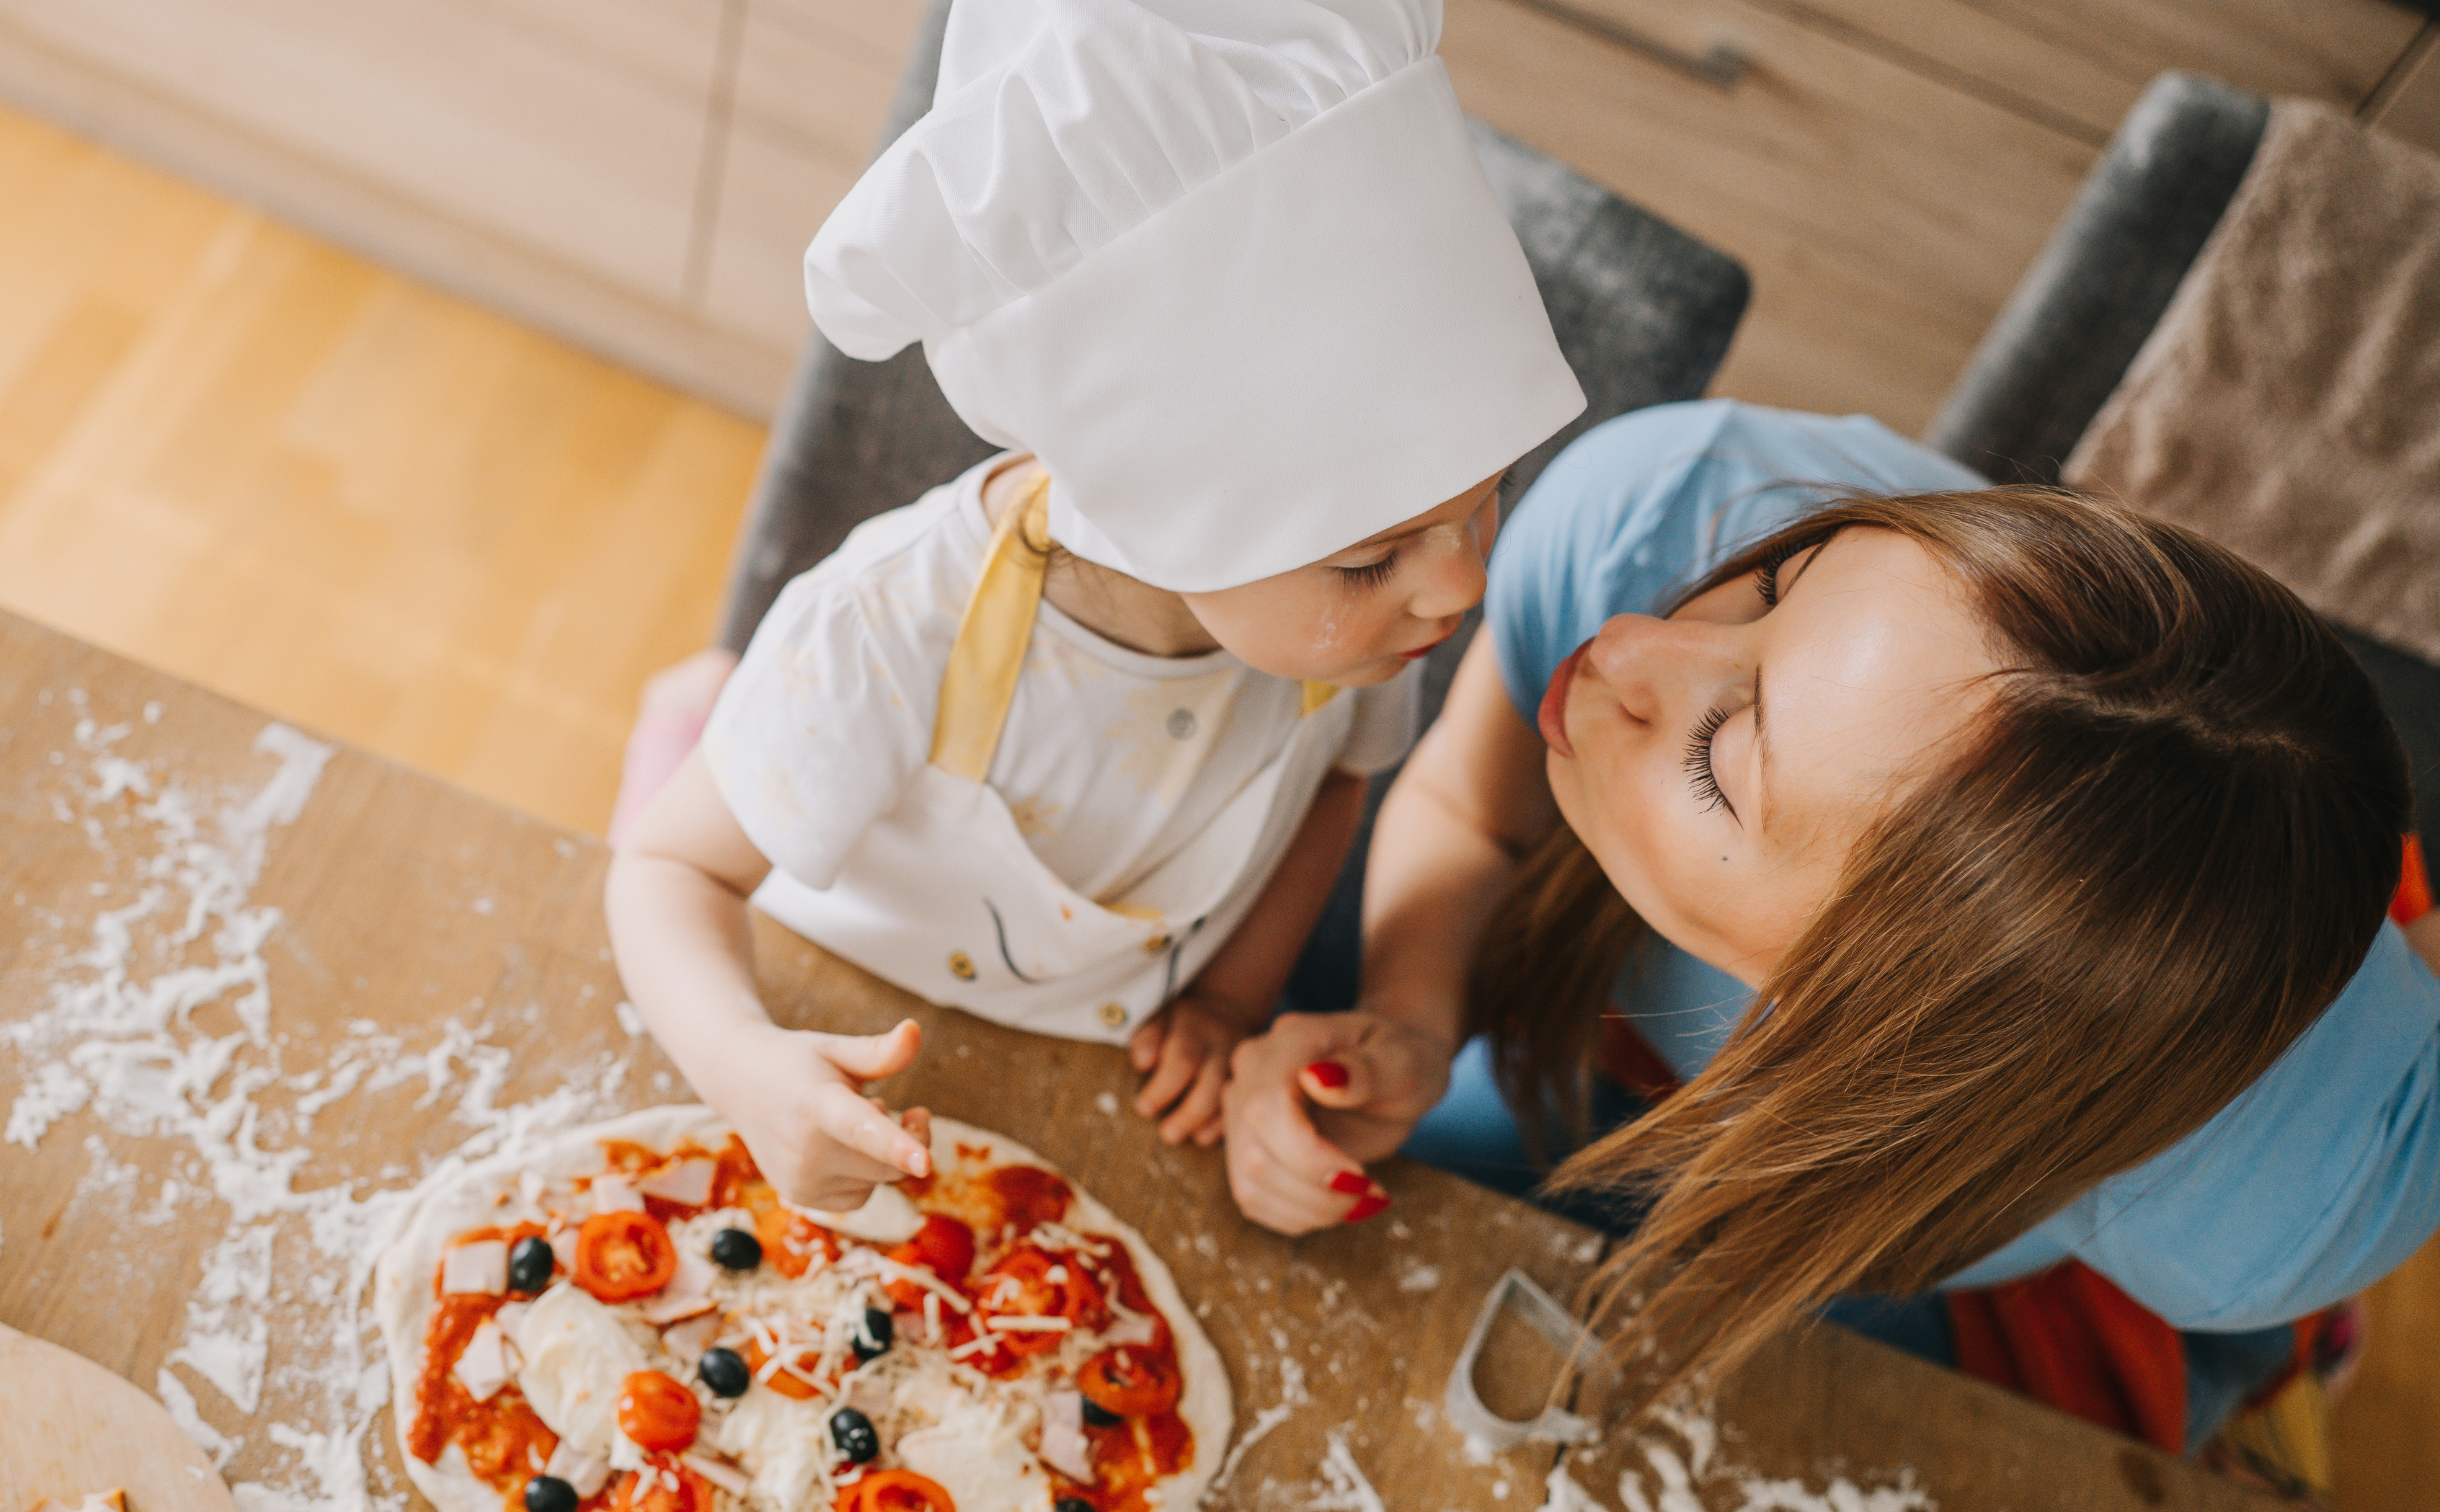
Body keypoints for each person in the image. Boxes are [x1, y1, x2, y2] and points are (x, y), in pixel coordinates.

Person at [1221, 399, 2440, 1432]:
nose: (1628, 644)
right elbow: (1475, 812)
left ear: (1891, 1029)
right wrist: (1412, 1019)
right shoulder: (1661, 503)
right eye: (1771, 584)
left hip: (1951, 1240)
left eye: (1721, 759)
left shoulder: (2283, 1209)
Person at [608, 0, 1585, 1208]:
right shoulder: (894, 626)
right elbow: (664, 871)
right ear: (1152, 515)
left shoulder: (1367, 630)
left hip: (1083, 1066)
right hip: (827, 1002)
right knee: (716, 767)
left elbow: (1335, 786)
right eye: (1373, 554)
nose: (1463, 582)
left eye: (1485, 501)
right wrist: (745, 1063)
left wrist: (1230, 996)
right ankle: (703, 717)